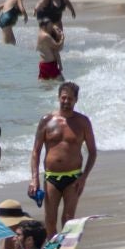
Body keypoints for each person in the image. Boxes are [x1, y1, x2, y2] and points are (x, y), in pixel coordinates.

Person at [28, 82, 98, 237]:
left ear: (76, 100)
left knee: (68, 219)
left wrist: (84, 177)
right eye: (64, 98)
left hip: (74, 178)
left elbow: (92, 152)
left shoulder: (83, 122)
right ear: (59, 97)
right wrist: (34, 179)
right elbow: (36, 151)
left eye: (70, 99)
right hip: (51, 177)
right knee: (50, 221)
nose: (66, 102)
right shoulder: (47, 120)